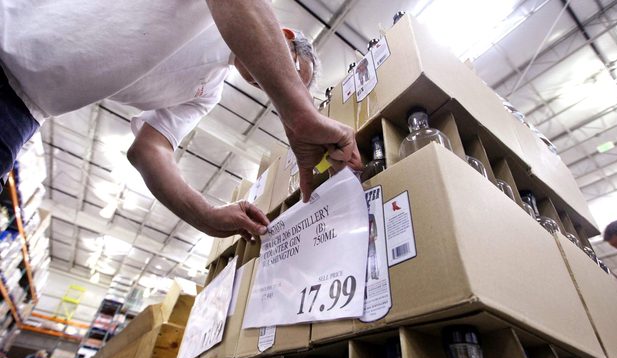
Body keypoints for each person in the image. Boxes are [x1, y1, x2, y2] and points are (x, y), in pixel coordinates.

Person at [0, 0, 360, 241]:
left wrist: (205, 216)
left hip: (24, 113)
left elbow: (149, 150)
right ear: (283, 39)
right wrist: (299, 112)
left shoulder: (206, 92)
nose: (274, 87)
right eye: (291, 73)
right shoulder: (212, 11)